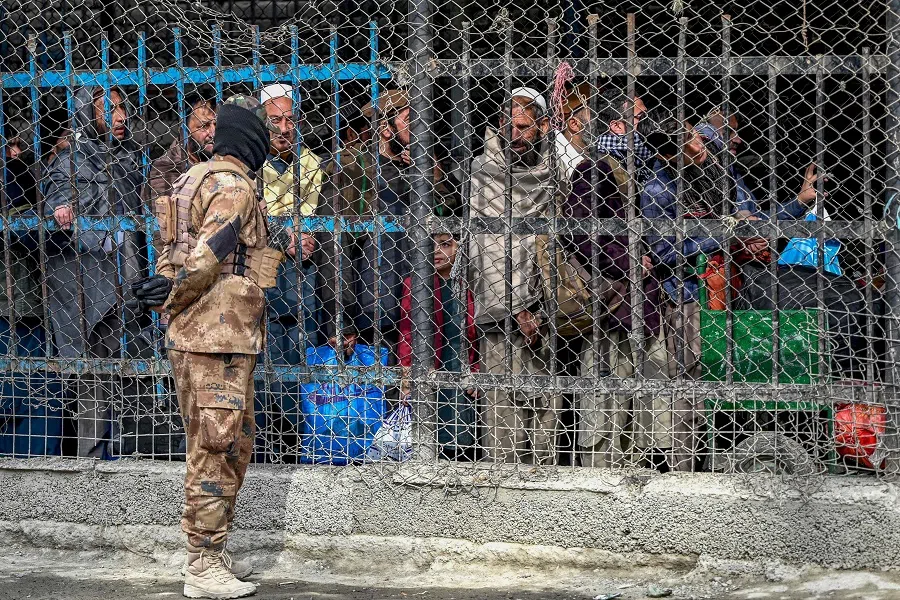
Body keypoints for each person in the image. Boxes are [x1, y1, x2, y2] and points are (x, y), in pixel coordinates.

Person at [134, 95, 296, 599]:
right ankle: (202, 564)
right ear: (250, 138)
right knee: (217, 447)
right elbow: (205, 256)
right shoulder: (235, 186)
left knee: (231, 443)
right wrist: (177, 292)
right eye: (264, 131)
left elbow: (170, 253)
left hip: (197, 335)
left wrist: (167, 292)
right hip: (218, 335)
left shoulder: (190, 180)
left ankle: (212, 551)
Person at [697, 112, 866, 379]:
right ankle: (844, 379)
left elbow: (758, 221)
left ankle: (848, 378)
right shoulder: (694, 180)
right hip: (747, 278)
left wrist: (799, 202)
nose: (737, 139)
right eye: (728, 132)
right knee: (844, 300)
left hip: (762, 269)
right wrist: (733, 236)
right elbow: (713, 234)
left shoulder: (729, 173)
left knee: (850, 291)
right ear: (703, 136)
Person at [560, 86, 667, 469]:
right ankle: (599, 477)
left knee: (642, 403)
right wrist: (629, 263)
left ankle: (637, 470)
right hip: (611, 304)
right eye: (638, 120)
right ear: (617, 125)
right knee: (604, 407)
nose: (646, 127)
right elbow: (579, 234)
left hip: (640, 304)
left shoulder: (641, 171)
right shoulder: (596, 169)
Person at [43, 86, 145, 459]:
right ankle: (92, 460)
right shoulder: (70, 161)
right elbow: (55, 201)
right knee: (90, 377)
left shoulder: (129, 159)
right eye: (110, 110)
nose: (121, 117)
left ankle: (121, 454)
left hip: (123, 279)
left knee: (122, 371)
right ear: (89, 114)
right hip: (84, 281)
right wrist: (61, 210)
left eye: (123, 109)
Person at [468, 87, 561, 465]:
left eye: (526, 127)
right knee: (501, 413)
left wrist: (534, 305)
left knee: (545, 409)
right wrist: (510, 307)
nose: (517, 134)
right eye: (511, 126)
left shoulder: (553, 172)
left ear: (541, 127)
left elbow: (554, 242)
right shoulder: (481, 171)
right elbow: (481, 246)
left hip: (543, 305)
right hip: (496, 308)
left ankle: (545, 482)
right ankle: (501, 484)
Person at [397, 233, 479, 460]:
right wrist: (406, 376)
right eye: (430, 244)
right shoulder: (415, 283)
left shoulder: (469, 283)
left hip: (459, 368)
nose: (436, 251)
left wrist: (476, 371)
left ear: (459, 248)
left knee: (460, 441)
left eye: (445, 244)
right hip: (427, 369)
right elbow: (407, 332)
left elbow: (478, 337)